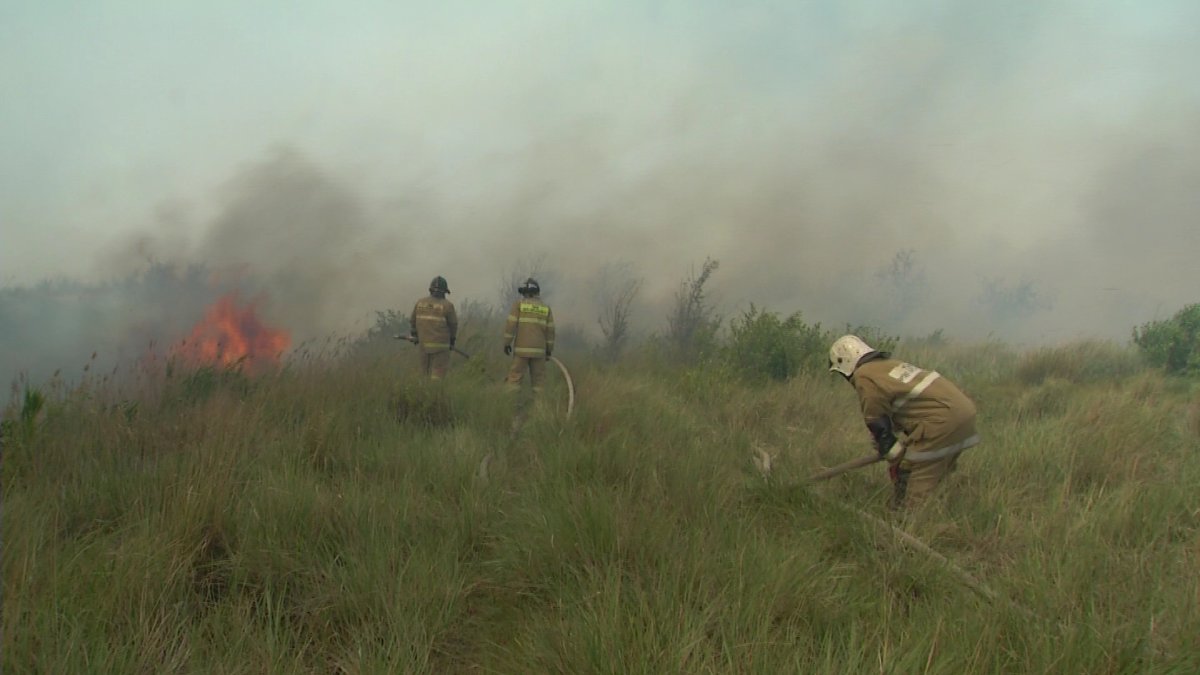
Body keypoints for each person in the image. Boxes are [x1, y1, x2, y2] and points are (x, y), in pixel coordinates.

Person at [828, 334, 980, 509]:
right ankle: (940, 507)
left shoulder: (863, 375)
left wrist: (890, 450)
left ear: (844, 364)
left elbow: (876, 420)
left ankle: (912, 522)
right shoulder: (889, 366)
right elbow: (909, 407)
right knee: (932, 472)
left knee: (917, 481)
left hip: (941, 422)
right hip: (963, 412)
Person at [503, 278, 555, 393]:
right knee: (539, 383)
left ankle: (509, 405)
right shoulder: (546, 308)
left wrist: (507, 343)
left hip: (521, 351)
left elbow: (511, 325)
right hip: (539, 352)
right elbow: (550, 332)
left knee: (514, 379)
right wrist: (549, 350)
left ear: (527, 292)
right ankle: (539, 407)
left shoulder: (519, 305)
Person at [409, 276, 458, 381]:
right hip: (441, 347)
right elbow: (453, 324)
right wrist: (452, 340)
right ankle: (435, 394)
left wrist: (415, 335)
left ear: (430, 290)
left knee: (424, 374)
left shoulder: (420, 303)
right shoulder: (447, 305)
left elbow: (413, 321)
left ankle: (424, 394)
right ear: (444, 292)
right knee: (438, 376)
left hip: (423, 345)